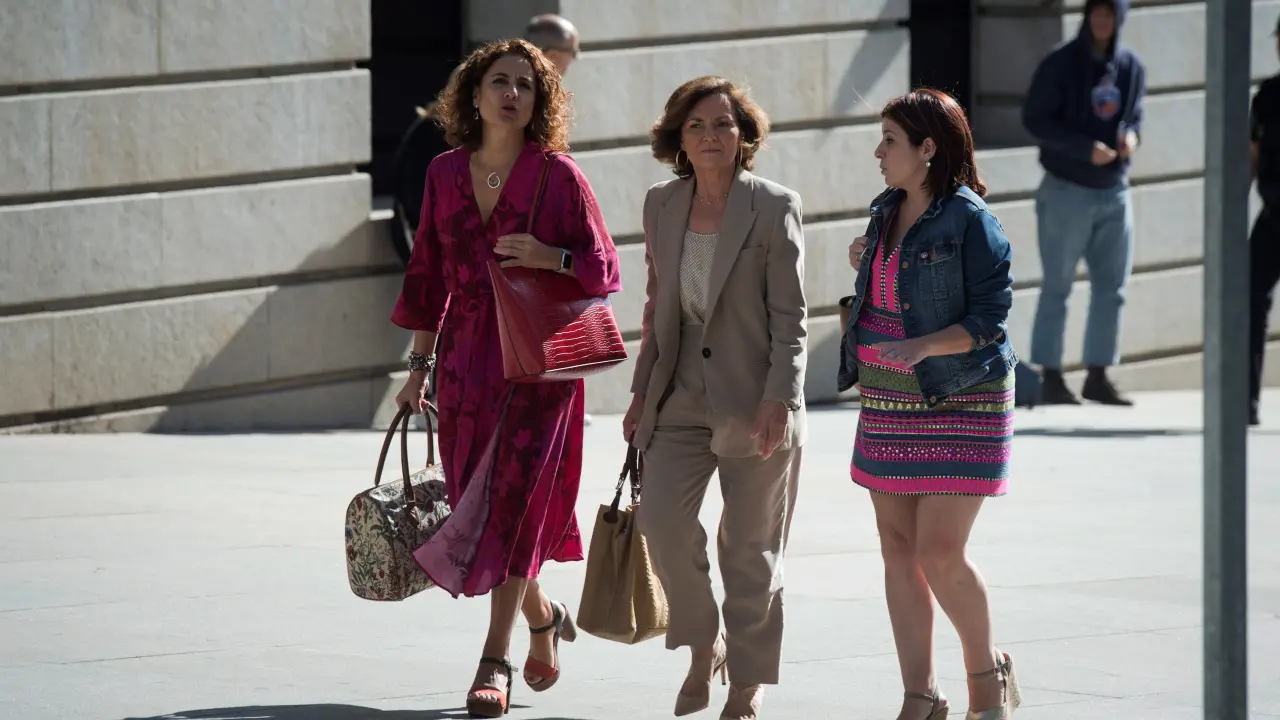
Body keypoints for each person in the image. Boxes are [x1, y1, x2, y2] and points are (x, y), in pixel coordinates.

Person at [390, 39, 621, 718]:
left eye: (526, 84)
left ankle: (495, 660)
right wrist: (417, 367)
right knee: (476, 500)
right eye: (499, 81)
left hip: (539, 363)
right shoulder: (443, 173)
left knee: (514, 503)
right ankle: (543, 614)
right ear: (475, 93)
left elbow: (604, 266)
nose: (512, 93)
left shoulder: (558, 175)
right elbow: (426, 274)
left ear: (540, 100)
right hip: (466, 360)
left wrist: (553, 257)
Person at [622, 76, 808, 720]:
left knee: (749, 550)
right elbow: (656, 309)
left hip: (756, 397)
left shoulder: (774, 205)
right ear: (678, 136)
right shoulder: (661, 203)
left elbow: (791, 318)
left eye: (724, 124)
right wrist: (641, 393)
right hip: (677, 392)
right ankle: (705, 644)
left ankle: (747, 684)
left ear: (743, 134)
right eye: (697, 125)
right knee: (661, 523)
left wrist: (780, 398)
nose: (710, 136)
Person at [839, 89, 1022, 720]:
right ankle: (920, 694)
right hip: (887, 394)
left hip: (962, 396)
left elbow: (991, 318)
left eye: (890, 140)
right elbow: (893, 290)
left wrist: (923, 345)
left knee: (939, 551)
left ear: (927, 148)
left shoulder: (971, 218)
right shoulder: (885, 210)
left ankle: (986, 679)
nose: (878, 151)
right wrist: (867, 263)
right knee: (897, 550)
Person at [1022, 0, 1146, 406]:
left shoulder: (1130, 67)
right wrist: (1082, 149)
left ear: (1120, 18)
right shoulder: (1060, 63)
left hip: (1115, 189)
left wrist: (1131, 136)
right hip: (1067, 189)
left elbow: (1134, 115)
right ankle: (1051, 376)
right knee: (1057, 285)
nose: (1102, 20)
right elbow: (1034, 118)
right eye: (1096, 12)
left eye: (1110, 13)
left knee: (1112, 287)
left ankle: (1098, 374)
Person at [1248, 15, 1280, 427]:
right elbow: (1252, 154)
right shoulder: (1269, 95)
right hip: (1273, 216)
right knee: (1249, 302)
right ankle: (1245, 402)